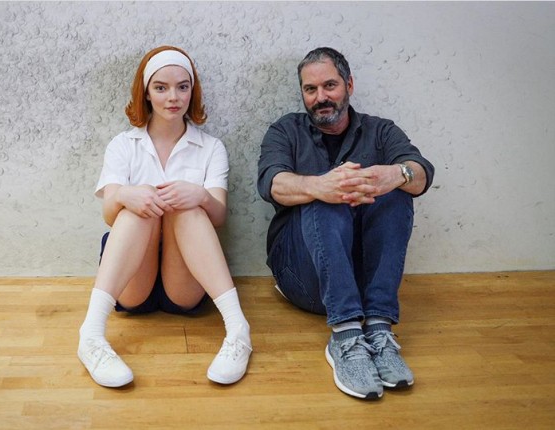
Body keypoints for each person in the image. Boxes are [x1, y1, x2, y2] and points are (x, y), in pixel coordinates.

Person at [257, 47, 434, 400]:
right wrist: (319, 186)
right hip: (303, 277)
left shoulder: (380, 131)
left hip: (364, 285)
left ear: (349, 85)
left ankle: (379, 329)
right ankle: (346, 336)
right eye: (310, 89)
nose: (320, 97)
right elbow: (270, 183)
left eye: (329, 85)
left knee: (398, 192)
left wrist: (395, 174)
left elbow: (421, 174)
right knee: (324, 195)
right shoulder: (285, 130)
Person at [78, 46, 252, 388]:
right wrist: (125, 195)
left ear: (192, 91)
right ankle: (91, 335)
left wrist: (200, 196)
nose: (173, 97)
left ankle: (238, 330)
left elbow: (218, 216)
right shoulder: (123, 145)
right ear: (146, 92)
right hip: (132, 285)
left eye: (182, 87)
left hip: (183, 284)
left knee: (188, 207)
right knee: (137, 207)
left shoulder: (211, 148)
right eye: (161, 87)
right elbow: (109, 216)